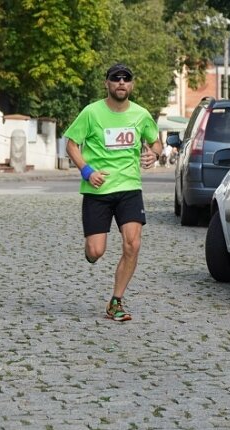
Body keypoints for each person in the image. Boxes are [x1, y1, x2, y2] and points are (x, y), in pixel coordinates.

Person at [64, 63, 163, 322]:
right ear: (106, 83)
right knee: (96, 251)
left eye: (126, 79)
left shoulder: (141, 115)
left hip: (129, 188)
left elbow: (156, 142)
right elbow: (72, 144)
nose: (121, 82)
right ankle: (90, 253)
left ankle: (116, 301)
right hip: (97, 190)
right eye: (115, 78)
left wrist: (154, 153)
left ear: (132, 84)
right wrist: (87, 171)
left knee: (133, 244)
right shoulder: (91, 112)